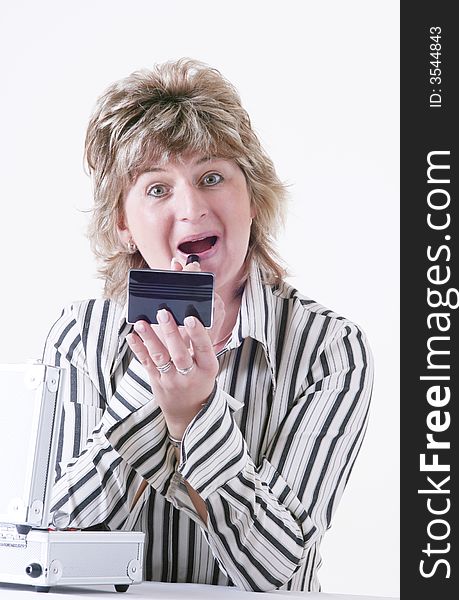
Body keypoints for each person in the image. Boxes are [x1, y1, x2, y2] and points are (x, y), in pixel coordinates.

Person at [42, 58, 373, 592]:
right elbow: (59, 551)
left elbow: (272, 571)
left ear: (254, 199)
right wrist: (151, 397)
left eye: (212, 177)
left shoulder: (329, 350)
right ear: (123, 224)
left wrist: (197, 417)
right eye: (156, 189)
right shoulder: (79, 338)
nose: (192, 208)